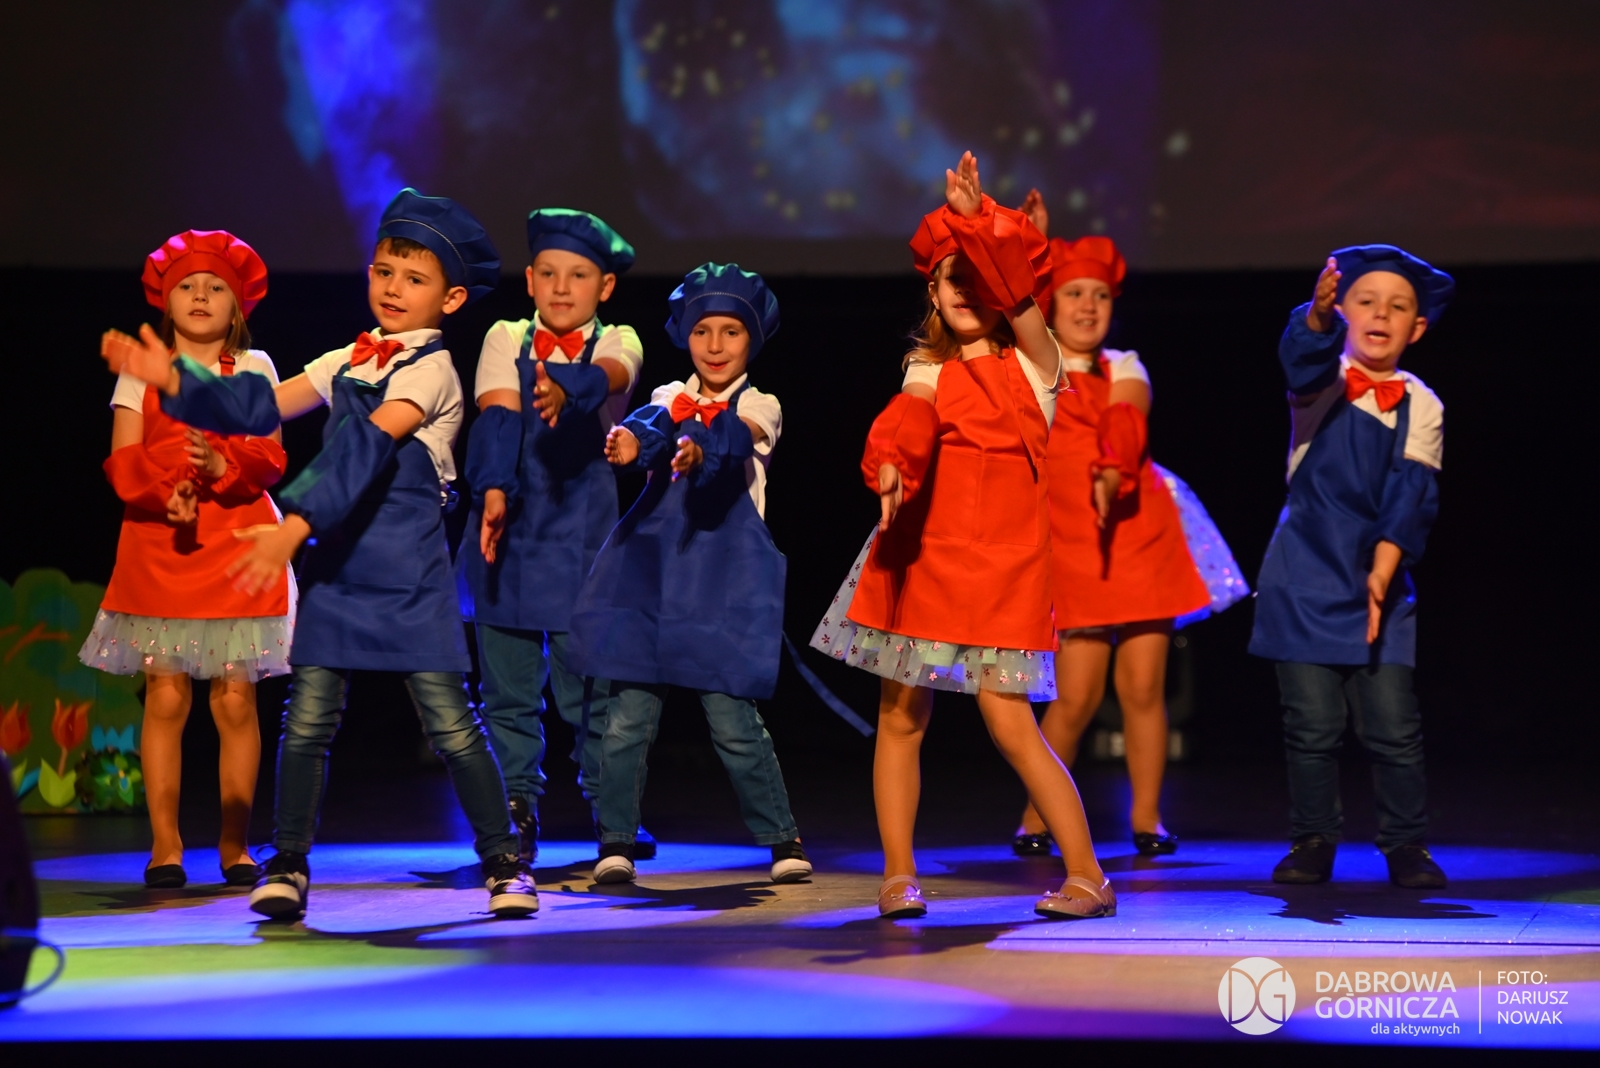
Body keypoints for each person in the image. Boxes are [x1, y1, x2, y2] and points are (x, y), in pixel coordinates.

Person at [102, 189, 539, 919]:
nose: (393, 288)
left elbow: (365, 448)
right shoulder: (349, 356)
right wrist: (173, 378)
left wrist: (292, 526)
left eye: (414, 278)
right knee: (306, 722)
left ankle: (504, 861)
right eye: (384, 272)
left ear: (452, 298)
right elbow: (259, 405)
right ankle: (289, 862)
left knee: (450, 724)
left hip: (407, 573)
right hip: (338, 567)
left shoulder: (431, 371)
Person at [815, 153, 1112, 920]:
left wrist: (981, 224)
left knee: (1011, 723)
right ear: (932, 291)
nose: (966, 290)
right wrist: (891, 464)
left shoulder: (1038, 365)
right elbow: (910, 419)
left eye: (981, 278)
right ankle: (898, 874)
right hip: (923, 553)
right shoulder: (927, 367)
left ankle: (1088, 875)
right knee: (900, 715)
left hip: (1005, 565)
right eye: (953, 277)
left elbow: (1019, 297)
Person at [1007, 192, 1249, 859]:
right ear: (1053, 302)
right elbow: (1011, 311)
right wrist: (1029, 248)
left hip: (1139, 532)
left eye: (1100, 296)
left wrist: (1114, 471)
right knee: (1076, 695)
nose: (1088, 306)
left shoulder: (1125, 365)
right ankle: (1036, 815)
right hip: (1074, 542)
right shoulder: (1034, 369)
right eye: (1074, 294)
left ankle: (1148, 818)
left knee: (1143, 687)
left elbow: (1126, 416)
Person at [568, 263, 810, 887]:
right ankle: (615, 841)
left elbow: (734, 441)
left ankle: (781, 838)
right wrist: (629, 444)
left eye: (731, 331)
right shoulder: (666, 396)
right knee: (627, 720)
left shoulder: (760, 404)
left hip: (722, 585)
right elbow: (648, 430)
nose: (715, 344)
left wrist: (698, 446)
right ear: (685, 335)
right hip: (651, 580)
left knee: (733, 722)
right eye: (703, 330)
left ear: (752, 339)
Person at [81, 230, 290, 889]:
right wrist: (165, 491)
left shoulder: (255, 367)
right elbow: (124, 459)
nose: (201, 295)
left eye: (216, 286)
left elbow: (271, 455)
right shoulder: (141, 368)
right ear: (165, 301)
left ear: (238, 306)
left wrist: (224, 466)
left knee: (235, 702)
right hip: (161, 545)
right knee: (166, 697)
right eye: (187, 286)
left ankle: (235, 843)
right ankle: (165, 844)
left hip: (237, 548)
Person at [1249, 245, 1451, 890]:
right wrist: (1315, 318)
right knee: (1312, 727)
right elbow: (1300, 357)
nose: (1381, 314)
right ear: (1344, 313)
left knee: (1393, 727)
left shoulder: (1422, 403)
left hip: (1378, 577)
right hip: (1303, 573)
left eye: (1398, 306)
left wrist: (1381, 576)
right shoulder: (1324, 378)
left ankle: (1407, 845)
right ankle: (1313, 840)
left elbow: (1411, 497)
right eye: (1366, 301)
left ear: (1417, 327)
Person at [456, 208, 655, 862]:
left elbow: (616, 373)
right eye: (548, 273)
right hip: (510, 530)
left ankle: (612, 811)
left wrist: (574, 388)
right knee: (508, 694)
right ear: (530, 280)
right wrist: (491, 491)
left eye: (578, 274)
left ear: (606, 286)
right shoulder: (504, 336)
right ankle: (516, 810)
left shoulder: (617, 339)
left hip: (584, 541)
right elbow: (497, 417)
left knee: (591, 693)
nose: (562, 287)